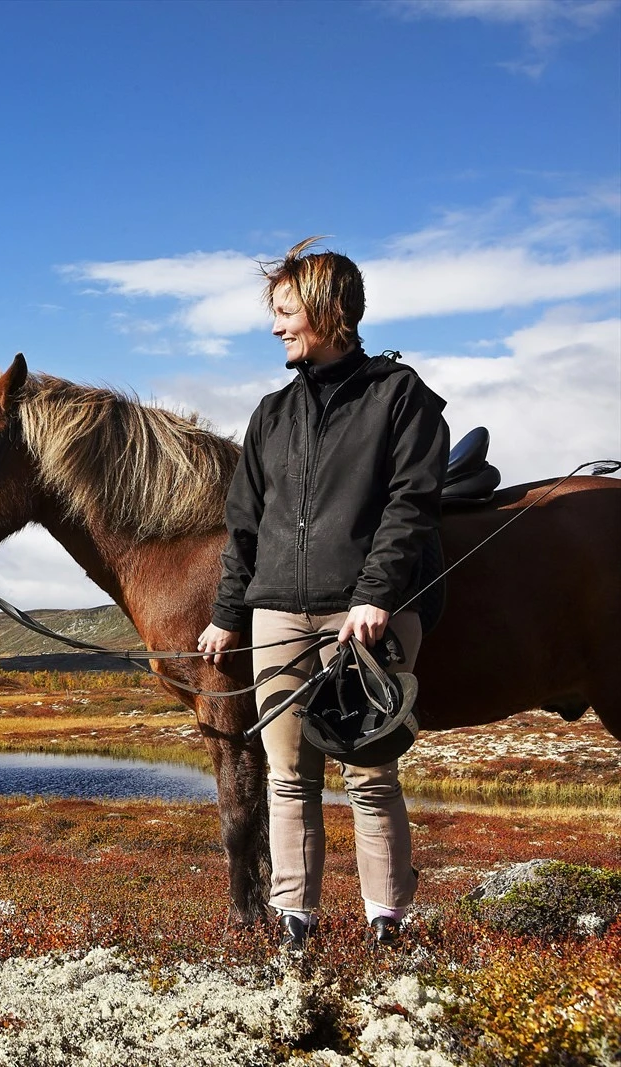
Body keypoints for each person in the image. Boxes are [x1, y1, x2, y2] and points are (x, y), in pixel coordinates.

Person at [196, 236, 449, 948]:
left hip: (365, 613)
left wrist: (375, 596)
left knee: (369, 775)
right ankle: (295, 921)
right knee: (287, 775)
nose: (276, 326)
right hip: (277, 610)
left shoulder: (401, 398)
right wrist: (225, 614)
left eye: (285, 311)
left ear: (327, 309)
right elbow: (244, 525)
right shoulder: (270, 414)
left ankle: (388, 923)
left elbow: (409, 505)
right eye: (275, 312)